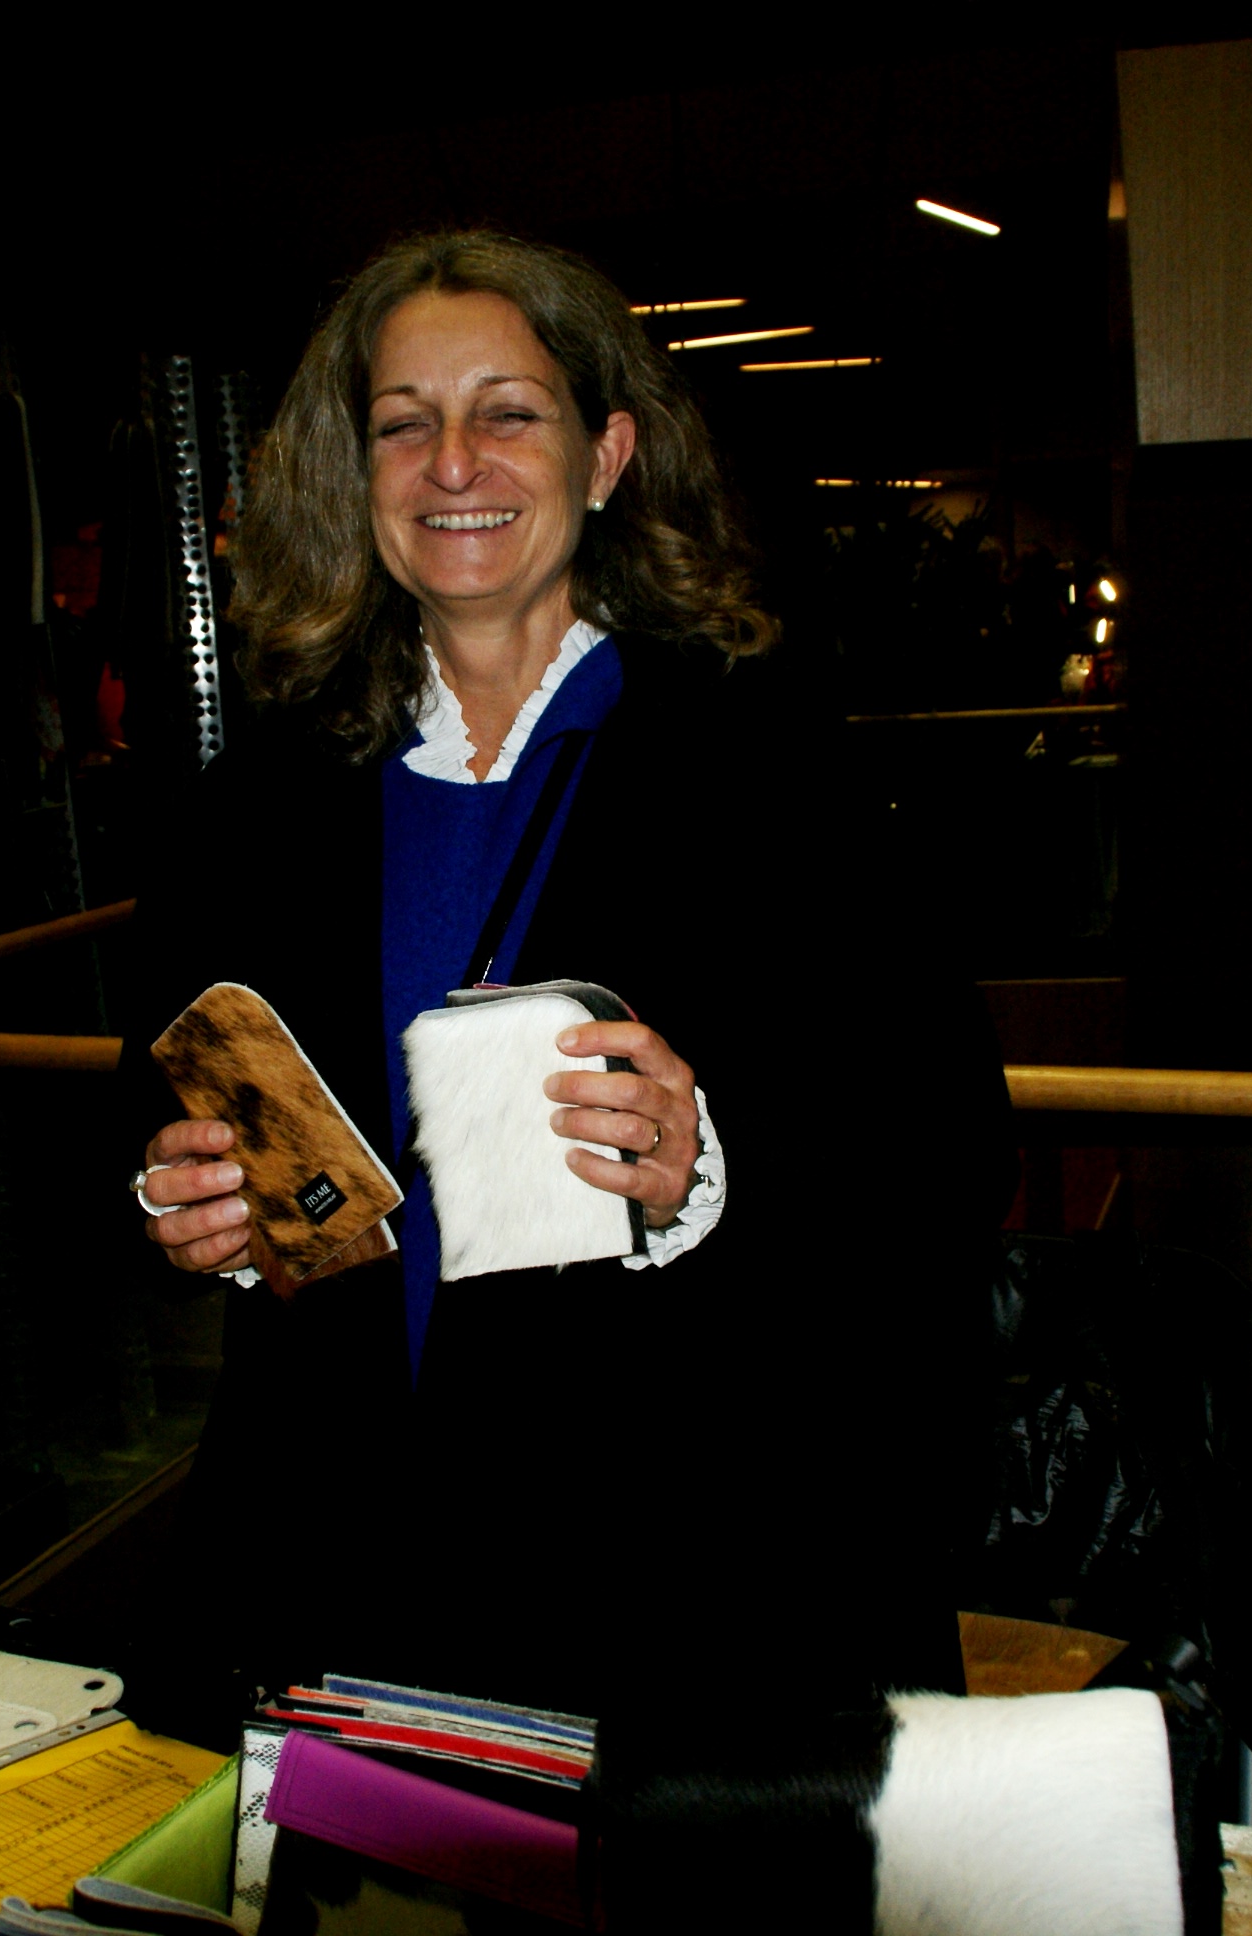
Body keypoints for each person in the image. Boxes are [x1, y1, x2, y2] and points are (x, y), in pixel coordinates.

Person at [118, 231, 1010, 1733]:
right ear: (359, 470)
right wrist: (181, 1198)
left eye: (508, 413)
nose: (453, 463)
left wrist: (706, 1163)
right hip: (338, 1559)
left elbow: (947, 1138)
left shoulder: (766, 764)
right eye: (404, 423)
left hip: (680, 1567)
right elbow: (156, 1080)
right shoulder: (260, 796)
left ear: (606, 456)